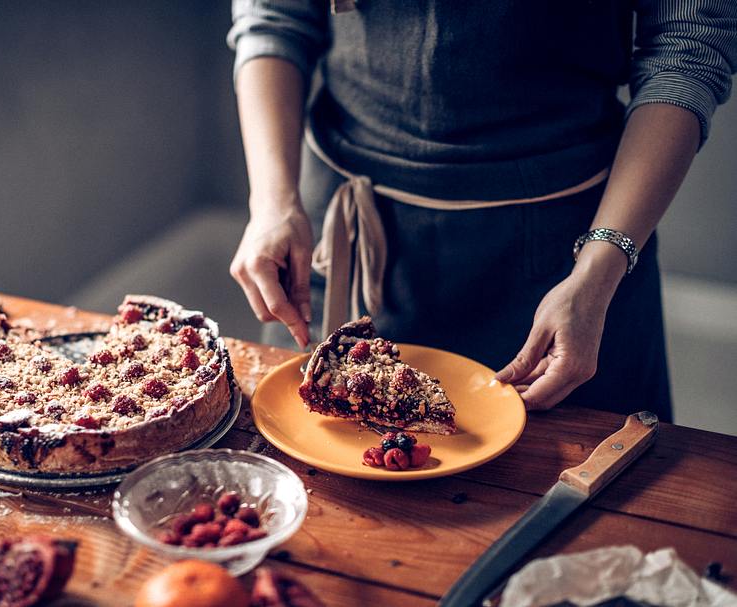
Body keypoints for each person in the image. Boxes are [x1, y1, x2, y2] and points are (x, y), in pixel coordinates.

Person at [226, 1, 737, 421]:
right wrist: (272, 203)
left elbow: (686, 51)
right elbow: (274, 17)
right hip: (338, 240)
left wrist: (599, 269)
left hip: (573, 257)